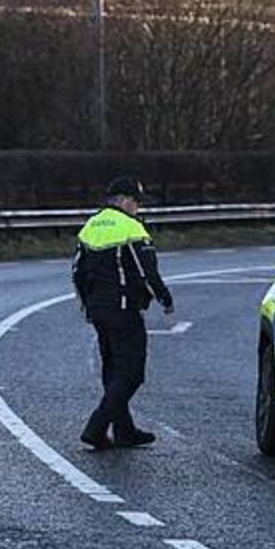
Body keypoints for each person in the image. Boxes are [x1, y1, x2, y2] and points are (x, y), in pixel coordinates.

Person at [72, 176, 174, 450]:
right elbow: (146, 271)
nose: (138, 207)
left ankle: (124, 430)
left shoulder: (90, 226)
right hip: (124, 308)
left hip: (97, 309)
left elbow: (77, 272)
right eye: (137, 202)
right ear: (126, 200)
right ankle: (96, 428)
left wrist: (86, 306)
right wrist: (163, 297)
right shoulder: (131, 228)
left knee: (112, 369)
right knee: (131, 373)